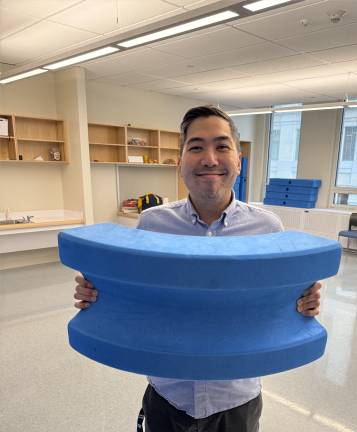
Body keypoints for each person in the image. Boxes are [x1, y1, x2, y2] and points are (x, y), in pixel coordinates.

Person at [74, 105, 321, 432]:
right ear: (179, 162)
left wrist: (304, 302)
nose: (209, 158)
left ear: (238, 160)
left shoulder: (267, 227)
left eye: (221, 146)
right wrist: (99, 295)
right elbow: (137, 296)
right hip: (167, 392)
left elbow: (280, 302)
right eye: (196, 147)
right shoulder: (152, 224)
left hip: (236, 398)